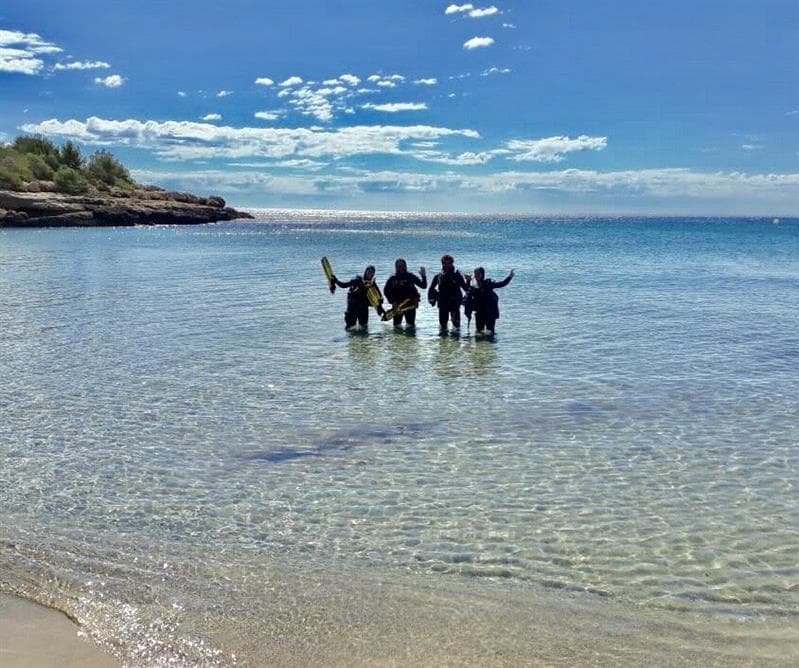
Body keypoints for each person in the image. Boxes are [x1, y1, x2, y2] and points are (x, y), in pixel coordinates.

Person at [330, 265, 384, 329]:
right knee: (350, 327)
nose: (370, 274)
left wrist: (380, 307)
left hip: (363, 307)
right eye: (369, 272)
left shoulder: (372, 283)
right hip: (353, 307)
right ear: (366, 272)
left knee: (364, 327)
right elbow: (344, 285)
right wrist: (336, 281)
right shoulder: (357, 280)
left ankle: (362, 336)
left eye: (372, 273)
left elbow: (379, 296)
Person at [464, 267, 515, 334]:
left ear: (482, 274)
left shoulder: (488, 283)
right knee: (479, 332)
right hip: (479, 312)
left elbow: (502, 284)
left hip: (490, 312)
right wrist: (468, 281)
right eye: (475, 274)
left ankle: (490, 341)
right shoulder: (473, 286)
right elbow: (467, 290)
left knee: (490, 331)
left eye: (478, 274)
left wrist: (510, 276)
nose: (476, 276)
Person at [428, 254, 468, 331]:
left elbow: (466, 288)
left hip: (454, 304)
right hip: (443, 303)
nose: (446, 265)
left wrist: (468, 281)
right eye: (444, 263)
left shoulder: (457, 276)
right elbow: (431, 288)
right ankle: (443, 339)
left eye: (448, 263)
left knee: (456, 327)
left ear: (452, 263)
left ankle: (455, 339)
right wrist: (431, 299)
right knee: (443, 327)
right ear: (442, 264)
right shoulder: (438, 276)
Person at [383, 258, 427, 327]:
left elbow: (423, 286)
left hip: (410, 304)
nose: (401, 268)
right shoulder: (393, 278)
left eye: (402, 266)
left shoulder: (410, 276)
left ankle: (410, 334)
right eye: (399, 266)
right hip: (397, 304)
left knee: (410, 326)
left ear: (405, 266)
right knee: (397, 326)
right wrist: (392, 302)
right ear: (396, 267)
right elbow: (386, 291)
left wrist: (423, 276)